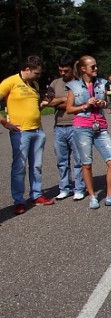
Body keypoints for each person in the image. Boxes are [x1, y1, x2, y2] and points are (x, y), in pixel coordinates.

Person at [66, 56, 111, 210]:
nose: (96, 69)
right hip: (82, 127)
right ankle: (93, 196)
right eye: (92, 67)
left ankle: (110, 195)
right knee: (86, 164)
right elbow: (69, 109)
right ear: (83, 69)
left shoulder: (102, 83)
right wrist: (85, 105)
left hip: (100, 126)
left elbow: (106, 102)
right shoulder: (74, 86)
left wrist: (103, 103)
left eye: (96, 66)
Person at [0, 56, 55, 215]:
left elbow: (34, 108)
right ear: (27, 69)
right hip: (20, 132)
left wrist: (43, 105)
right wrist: (5, 123)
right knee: (19, 167)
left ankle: (36, 195)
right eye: (36, 73)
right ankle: (18, 200)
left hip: (37, 130)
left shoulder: (34, 84)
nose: (39, 76)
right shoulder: (10, 82)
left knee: (36, 165)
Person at [47, 55, 85, 200]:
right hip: (59, 127)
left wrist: (64, 104)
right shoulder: (55, 83)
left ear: (72, 69)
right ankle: (64, 187)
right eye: (60, 70)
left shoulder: (79, 83)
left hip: (76, 125)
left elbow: (80, 103)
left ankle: (79, 187)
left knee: (78, 159)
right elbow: (49, 102)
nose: (62, 73)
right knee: (61, 160)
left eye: (66, 71)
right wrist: (66, 100)